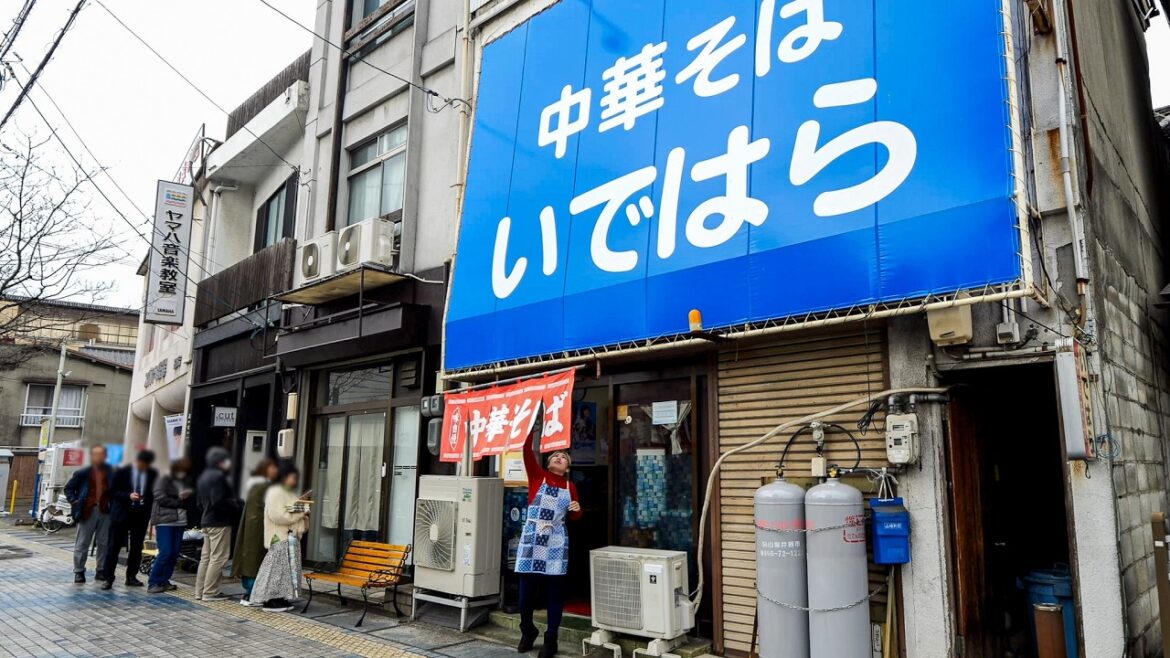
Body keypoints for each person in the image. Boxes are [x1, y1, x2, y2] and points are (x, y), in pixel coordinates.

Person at [515, 432, 582, 658]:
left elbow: (575, 515)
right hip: (533, 539)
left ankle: (551, 640)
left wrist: (577, 509)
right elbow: (526, 451)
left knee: (555, 594)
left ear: (567, 467)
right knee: (525, 595)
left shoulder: (570, 486)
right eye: (555, 455)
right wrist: (529, 426)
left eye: (564, 457)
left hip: (556, 541)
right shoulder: (537, 476)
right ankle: (527, 630)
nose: (559, 457)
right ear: (548, 462)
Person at [249, 464, 309, 613]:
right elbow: (278, 515)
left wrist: (302, 508)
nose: (295, 481)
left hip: (290, 537)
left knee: (286, 571)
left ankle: (280, 597)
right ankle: (270, 599)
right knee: (275, 570)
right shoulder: (275, 492)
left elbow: (289, 512)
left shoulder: (288, 493)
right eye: (293, 477)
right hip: (280, 536)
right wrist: (301, 512)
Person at [100, 449, 158, 590]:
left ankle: (131, 576)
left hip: (140, 514)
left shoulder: (152, 474)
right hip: (122, 513)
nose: (144, 467)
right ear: (137, 461)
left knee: (137, 547)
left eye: (147, 465)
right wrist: (128, 496)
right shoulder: (122, 471)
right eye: (142, 464)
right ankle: (108, 578)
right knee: (113, 546)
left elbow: (153, 492)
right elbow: (111, 491)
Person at [63, 445, 113, 584]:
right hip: (87, 510)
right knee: (83, 542)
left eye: (101, 454)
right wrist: (75, 501)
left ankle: (101, 570)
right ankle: (79, 571)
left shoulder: (111, 473)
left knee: (104, 542)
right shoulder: (83, 473)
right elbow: (68, 488)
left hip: (105, 511)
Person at [232, 459, 279, 606]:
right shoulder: (265, 486)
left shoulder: (254, 484)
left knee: (249, 559)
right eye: (272, 468)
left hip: (250, 526)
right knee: (257, 560)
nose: (275, 470)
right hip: (260, 528)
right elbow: (275, 508)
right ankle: (254, 594)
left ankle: (248, 593)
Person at [194, 447, 238, 601]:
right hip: (219, 522)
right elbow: (218, 501)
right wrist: (236, 504)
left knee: (205, 558)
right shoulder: (219, 476)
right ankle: (210, 591)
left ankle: (199, 591)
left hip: (206, 521)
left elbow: (199, 503)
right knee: (218, 558)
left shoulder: (203, 477)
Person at [148, 458, 193, 593]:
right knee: (166, 552)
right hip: (165, 520)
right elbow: (159, 497)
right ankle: (153, 581)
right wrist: (179, 500)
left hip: (181, 521)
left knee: (174, 553)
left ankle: (164, 580)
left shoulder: (185, 481)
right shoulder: (164, 479)